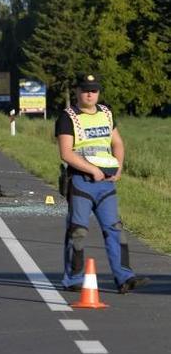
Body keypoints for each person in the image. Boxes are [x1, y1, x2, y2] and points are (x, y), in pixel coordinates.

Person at [56, 73, 150, 294]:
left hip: (106, 184)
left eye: (94, 90)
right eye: (85, 90)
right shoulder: (68, 117)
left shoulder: (106, 113)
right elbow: (66, 153)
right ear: (77, 91)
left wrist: (119, 168)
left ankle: (124, 278)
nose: (90, 94)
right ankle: (73, 279)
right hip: (81, 182)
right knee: (78, 231)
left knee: (115, 229)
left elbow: (117, 143)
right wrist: (92, 170)